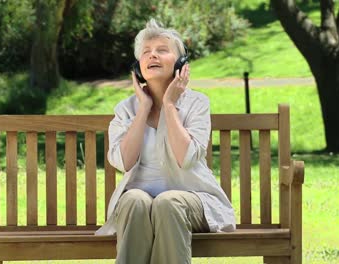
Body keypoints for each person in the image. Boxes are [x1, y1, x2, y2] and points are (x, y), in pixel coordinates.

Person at [95, 19, 236, 264]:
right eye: (146, 52)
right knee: (134, 199)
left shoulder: (196, 104)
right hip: (137, 205)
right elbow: (123, 162)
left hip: (192, 199)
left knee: (167, 203)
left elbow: (187, 158)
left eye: (162, 50)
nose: (153, 56)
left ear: (181, 64)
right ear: (138, 68)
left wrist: (169, 105)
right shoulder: (125, 109)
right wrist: (144, 109)